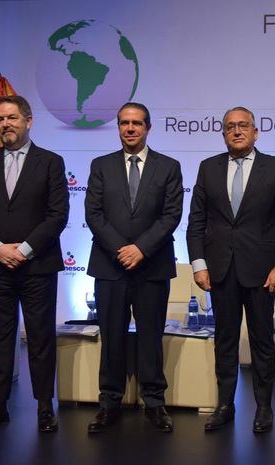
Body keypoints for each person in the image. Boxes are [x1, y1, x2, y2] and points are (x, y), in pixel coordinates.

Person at [0, 95, 69, 433]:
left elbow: (57, 215)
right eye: (0, 119)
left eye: (12, 118)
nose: (5, 124)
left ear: (28, 120)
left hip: (37, 267)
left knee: (39, 339)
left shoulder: (51, 162)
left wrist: (23, 250)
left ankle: (43, 407)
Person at [187, 106, 275, 433]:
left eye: (243, 126)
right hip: (219, 270)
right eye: (230, 127)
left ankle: (264, 408)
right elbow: (196, 221)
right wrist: (198, 264)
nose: (237, 131)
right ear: (223, 133)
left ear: (255, 131)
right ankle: (225, 405)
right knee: (224, 339)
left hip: (262, 271)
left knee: (262, 341)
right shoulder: (208, 169)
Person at [84, 102, 183, 434]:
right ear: (118, 127)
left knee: (151, 337)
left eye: (137, 123)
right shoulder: (101, 165)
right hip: (110, 266)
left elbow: (171, 215)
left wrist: (141, 248)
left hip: (151, 266)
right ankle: (109, 402)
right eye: (124, 123)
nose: (130, 128)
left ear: (148, 128)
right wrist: (121, 250)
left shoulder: (169, 167)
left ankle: (154, 402)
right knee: (111, 336)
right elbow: (93, 214)